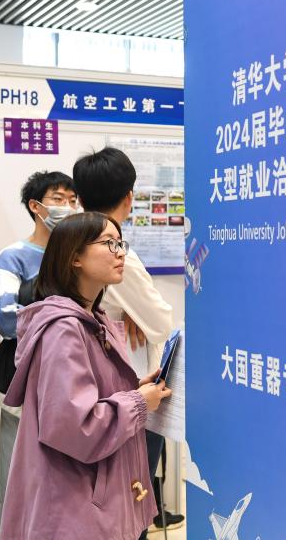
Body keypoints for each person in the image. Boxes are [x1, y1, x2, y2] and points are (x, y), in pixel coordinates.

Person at [0, 212, 171, 540]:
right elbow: (76, 425)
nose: (120, 253)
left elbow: (88, 394)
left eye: (121, 243)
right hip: (73, 505)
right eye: (109, 243)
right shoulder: (64, 329)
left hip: (90, 498)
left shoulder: (94, 320)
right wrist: (138, 401)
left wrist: (137, 389)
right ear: (74, 257)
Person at [73, 147, 183, 534]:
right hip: (128, 393)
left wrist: (130, 310)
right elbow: (161, 321)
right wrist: (137, 313)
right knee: (129, 505)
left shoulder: (70, 242)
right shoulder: (119, 253)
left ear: (79, 197)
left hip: (100, 395)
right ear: (129, 197)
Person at [0, 171, 78, 540]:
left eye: (72, 199)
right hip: (22, 377)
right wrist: (60, 322)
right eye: (58, 198)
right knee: (17, 472)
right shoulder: (14, 256)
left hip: (66, 378)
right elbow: (6, 317)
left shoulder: (76, 253)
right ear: (35, 206)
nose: (67, 206)